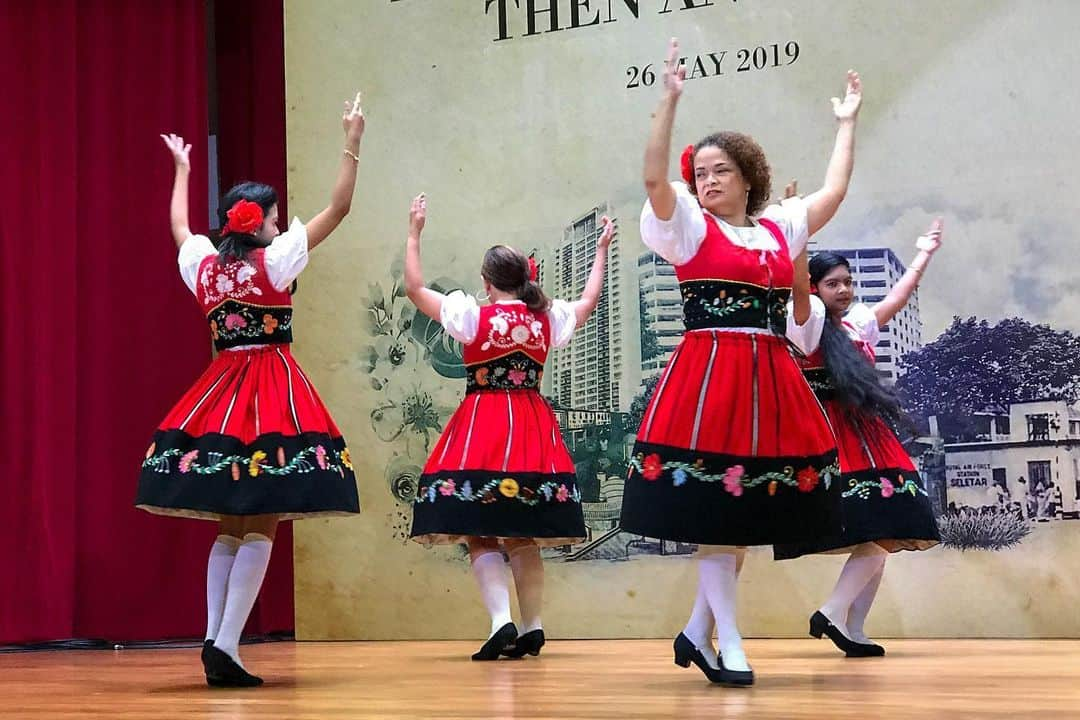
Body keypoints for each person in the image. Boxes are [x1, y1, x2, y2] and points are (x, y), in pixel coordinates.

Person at [619, 37, 861, 685]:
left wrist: (846, 123)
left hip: (771, 379)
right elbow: (651, 177)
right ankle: (728, 640)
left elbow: (835, 191)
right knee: (715, 510)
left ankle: (698, 633)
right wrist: (668, 101)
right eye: (700, 171)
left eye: (720, 169)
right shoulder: (690, 228)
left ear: (748, 175)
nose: (707, 179)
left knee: (743, 513)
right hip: (709, 380)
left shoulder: (779, 225)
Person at [135, 94, 366, 687]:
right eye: (272, 215)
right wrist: (351, 141)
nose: (277, 221)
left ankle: (218, 638)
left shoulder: (207, 267)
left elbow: (180, 229)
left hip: (219, 390)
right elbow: (338, 208)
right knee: (261, 517)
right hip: (271, 387)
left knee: (230, 521)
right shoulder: (277, 261)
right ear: (260, 223)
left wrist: (184, 171)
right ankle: (228, 644)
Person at [405, 193, 614, 660]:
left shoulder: (471, 315)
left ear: (486, 282)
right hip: (532, 426)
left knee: (480, 527)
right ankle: (534, 624)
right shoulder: (547, 318)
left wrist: (415, 231)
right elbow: (589, 300)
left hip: (482, 424)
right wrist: (600, 251)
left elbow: (416, 289)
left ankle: (502, 622)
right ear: (526, 278)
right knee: (523, 531)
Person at [778, 220, 944, 657]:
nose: (845, 290)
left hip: (870, 438)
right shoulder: (805, 326)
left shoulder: (858, 325)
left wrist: (924, 253)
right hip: (834, 442)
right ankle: (833, 612)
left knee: (888, 530)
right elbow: (796, 289)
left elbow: (899, 295)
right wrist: (796, 239)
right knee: (882, 529)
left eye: (849, 282)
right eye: (833, 283)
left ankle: (852, 625)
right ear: (813, 288)